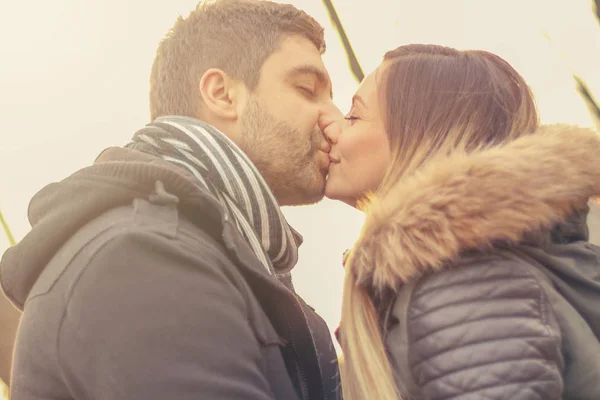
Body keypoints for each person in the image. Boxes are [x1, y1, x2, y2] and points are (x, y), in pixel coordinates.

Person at [0, 1, 340, 399]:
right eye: (307, 90)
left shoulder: (216, 254)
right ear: (222, 94)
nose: (333, 118)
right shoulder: (141, 255)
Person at [324, 44, 600, 400]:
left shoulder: (462, 279)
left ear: (423, 135)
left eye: (353, 116)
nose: (332, 129)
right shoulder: (471, 267)